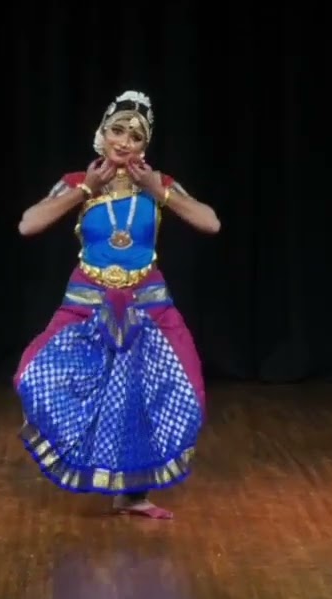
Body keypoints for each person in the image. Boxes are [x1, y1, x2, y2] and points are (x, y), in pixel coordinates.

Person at [13, 90, 220, 520]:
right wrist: (87, 188)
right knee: (33, 375)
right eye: (118, 131)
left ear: (146, 146)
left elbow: (209, 222)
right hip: (86, 304)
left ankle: (133, 494)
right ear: (102, 134)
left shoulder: (156, 184)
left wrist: (157, 190)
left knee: (167, 396)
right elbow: (28, 224)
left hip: (150, 306)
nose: (125, 142)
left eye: (137, 137)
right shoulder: (77, 183)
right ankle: (92, 468)